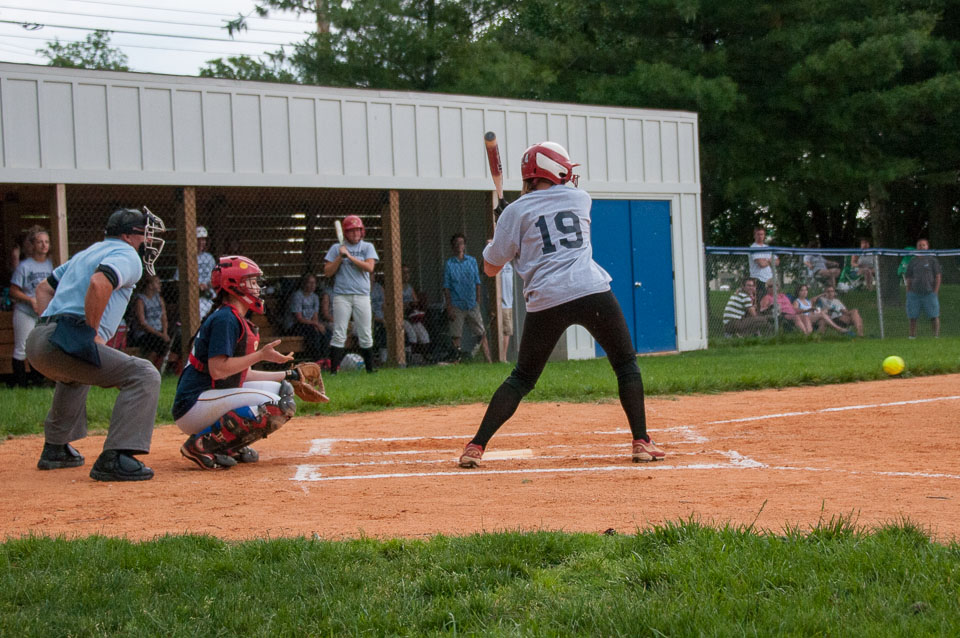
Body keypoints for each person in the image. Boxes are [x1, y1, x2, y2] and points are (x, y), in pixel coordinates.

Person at [457, 141, 664, 468]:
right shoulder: (581, 199)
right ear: (556, 170)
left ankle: (475, 446)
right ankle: (641, 441)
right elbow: (545, 217)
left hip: (546, 300)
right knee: (625, 363)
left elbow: (491, 267)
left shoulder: (516, 212)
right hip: (590, 290)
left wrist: (502, 229)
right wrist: (511, 221)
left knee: (522, 378)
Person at [25, 207, 166, 481]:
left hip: (39, 339)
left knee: (76, 375)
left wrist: (50, 327)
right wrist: (89, 334)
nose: (147, 242)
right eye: (143, 235)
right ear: (127, 235)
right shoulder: (127, 255)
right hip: (64, 337)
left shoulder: (89, 252)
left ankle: (56, 449)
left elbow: (44, 288)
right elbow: (100, 283)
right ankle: (117, 457)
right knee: (144, 374)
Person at [174, 256, 299, 470]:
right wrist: (260, 355)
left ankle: (229, 444)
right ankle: (202, 444)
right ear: (235, 284)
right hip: (194, 403)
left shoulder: (234, 317)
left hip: (209, 397)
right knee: (276, 404)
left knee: (283, 390)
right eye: (250, 281)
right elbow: (218, 370)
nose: (256, 287)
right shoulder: (226, 319)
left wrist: (289, 375)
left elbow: (243, 373)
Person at [323, 215, 378, 373]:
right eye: (351, 231)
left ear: (362, 232)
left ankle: (370, 369)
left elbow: (369, 268)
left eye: (357, 231)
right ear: (345, 233)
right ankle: (333, 370)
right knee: (339, 332)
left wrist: (351, 257)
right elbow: (327, 272)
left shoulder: (367, 247)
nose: (355, 234)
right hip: (342, 296)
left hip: (362, 295)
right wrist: (340, 256)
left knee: (365, 332)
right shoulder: (336, 248)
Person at [9, 226, 54, 386]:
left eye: (47, 242)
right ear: (33, 245)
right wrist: (31, 300)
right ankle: (21, 384)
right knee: (22, 347)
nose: (44, 245)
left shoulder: (52, 265)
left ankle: (39, 381)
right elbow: (13, 291)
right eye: (40, 242)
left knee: (41, 347)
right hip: (25, 312)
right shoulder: (25, 266)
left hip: (44, 314)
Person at [443, 233, 492, 363]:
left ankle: (488, 360)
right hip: (456, 304)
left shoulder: (472, 261)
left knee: (481, 333)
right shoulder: (449, 264)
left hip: (471, 303)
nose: (459, 246)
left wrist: (477, 301)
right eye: (456, 243)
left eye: (461, 243)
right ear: (453, 246)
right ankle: (456, 359)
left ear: (464, 245)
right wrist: (449, 307)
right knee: (456, 334)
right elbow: (446, 287)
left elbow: (477, 282)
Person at [283, 273, 330, 362]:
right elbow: (299, 318)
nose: (312, 285)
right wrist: (316, 324)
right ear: (304, 284)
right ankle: (317, 360)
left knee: (326, 332)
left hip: (310, 324)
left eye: (314, 283)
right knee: (313, 333)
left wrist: (317, 325)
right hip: (294, 325)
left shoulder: (315, 297)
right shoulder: (297, 296)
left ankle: (326, 359)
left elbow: (315, 316)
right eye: (310, 283)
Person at [174, 225, 217, 320]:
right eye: (198, 240)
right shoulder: (187, 258)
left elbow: (216, 276)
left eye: (203, 240)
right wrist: (195, 286)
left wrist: (210, 284)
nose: (201, 243)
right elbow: (178, 281)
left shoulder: (209, 257)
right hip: (196, 299)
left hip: (211, 295)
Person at [129, 273, 171, 370]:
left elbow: (164, 317)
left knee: (169, 341)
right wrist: (160, 335)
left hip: (159, 331)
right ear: (150, 285)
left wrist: (164, 332)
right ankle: (148, 369)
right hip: (144, 333)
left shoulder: (159, 299)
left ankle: (157, 369)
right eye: (157, 283)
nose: (160, 285)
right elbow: (142, 323)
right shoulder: (140, 300)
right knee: (158, 342)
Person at [905, 238, 941, 338]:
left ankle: (936, 337)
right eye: (919, 245)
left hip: (929, 293)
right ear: (917, 248)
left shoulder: (932, 260)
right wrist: (908, 290)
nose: (921, 247)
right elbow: (908, 277)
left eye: (923, 245)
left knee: (934, 316)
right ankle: (912, 336)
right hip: (914, 294)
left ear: (927, 247)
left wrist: (935, 291)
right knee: (912, 317)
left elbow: (938, 276)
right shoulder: (913, 261)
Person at [401, 265, 430, 364]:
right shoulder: (396, 287)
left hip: (411, 315)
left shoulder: (409, 287)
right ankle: (409, 359)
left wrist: (412, 303)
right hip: (402, 316)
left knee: (424, 335)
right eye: (404, 273)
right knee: (411, 334)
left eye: (408, 272)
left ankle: (423, 357)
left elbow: (416, 301)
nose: (406, 275)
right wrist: (406, 304)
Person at [748, 227, 778, 298]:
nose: (760, 236)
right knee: (761, 300)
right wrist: (770, 260)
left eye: (762, 234)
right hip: (759, 279)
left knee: (772, 299)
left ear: (764, 236)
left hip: (770, 279)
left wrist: (766, 260)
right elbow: (762, 264)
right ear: (754, 235)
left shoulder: (767, 247)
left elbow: (777, 262)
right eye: (758, 234)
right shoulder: (753, 248)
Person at [498, 260, 515, 357]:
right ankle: (502, 356)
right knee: (504, 330)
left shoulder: (510, 265)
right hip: (501, 304)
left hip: (509, 303)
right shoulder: (497, 266)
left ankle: (504, 356)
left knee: (507, 330)